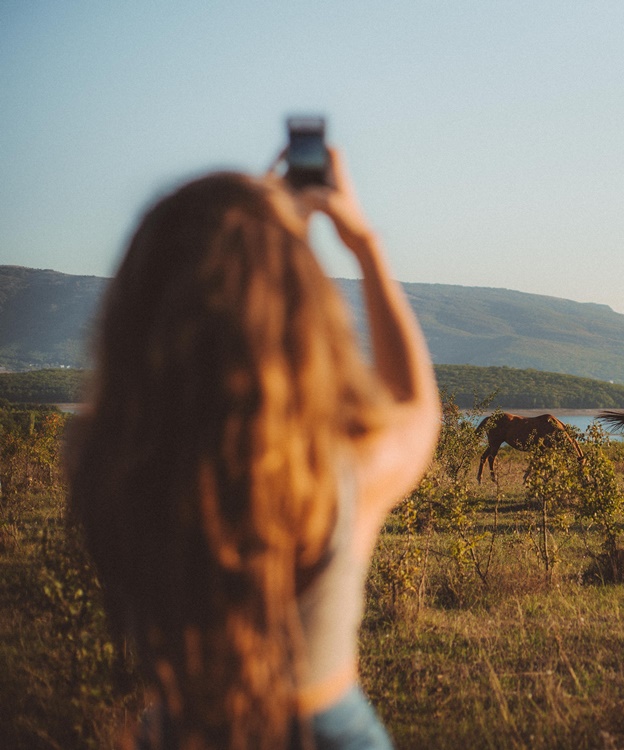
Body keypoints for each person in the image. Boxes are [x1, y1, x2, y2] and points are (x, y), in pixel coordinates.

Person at [67, 146, 441, 749]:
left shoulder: (107, 466)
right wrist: (360, 239)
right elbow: (415, 405)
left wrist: (233, 227)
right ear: (304, 316)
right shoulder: (338, 479)